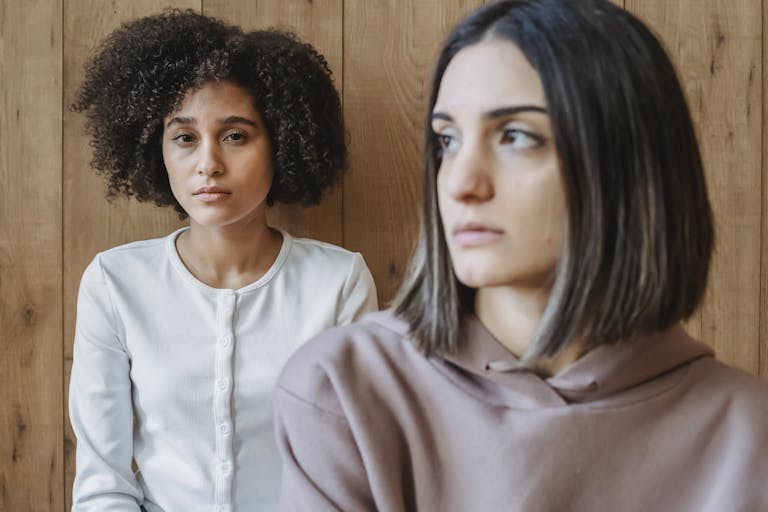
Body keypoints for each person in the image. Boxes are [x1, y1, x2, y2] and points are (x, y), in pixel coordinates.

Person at [274, 0, 768, 510]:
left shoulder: (749, 434)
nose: (461, 183)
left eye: (515, 136)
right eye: (448, 141)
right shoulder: (346, 390)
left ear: (626, 162)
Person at [68, 10, 377, 512]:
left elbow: (353, 469)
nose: (208, 163)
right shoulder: (114, 282)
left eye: (235, 135)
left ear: (282, 143)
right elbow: (103, 484)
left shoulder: (339, 282)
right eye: (185, 137)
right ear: (158, 150)